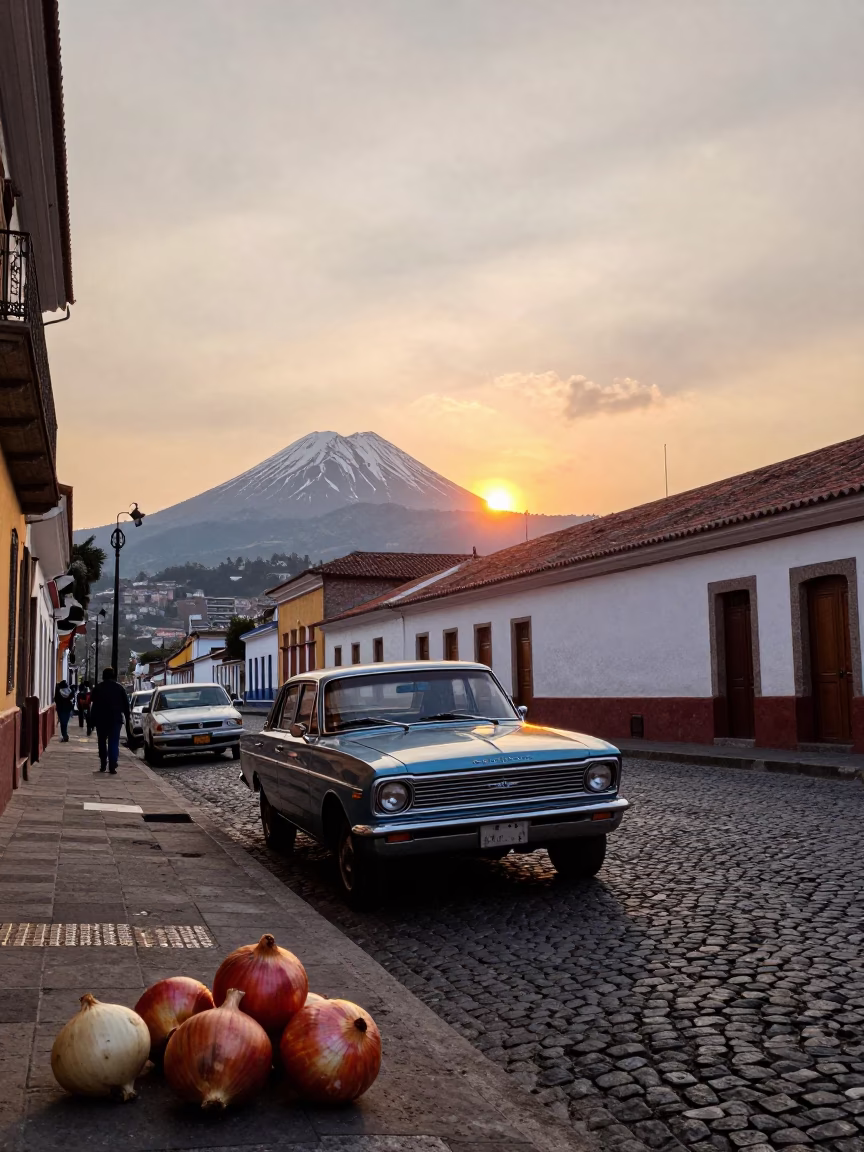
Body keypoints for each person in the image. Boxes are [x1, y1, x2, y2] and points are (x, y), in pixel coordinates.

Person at [89, 667, 131, 774]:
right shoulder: (120, 688)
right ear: (114, 676)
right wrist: (127, 718)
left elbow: (93, 705)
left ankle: (103, 764)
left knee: (102, 742)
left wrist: (91, 722)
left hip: (101, 719)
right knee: (113, 742)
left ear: (103, 676)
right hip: (115, 719)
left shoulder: (98, 688)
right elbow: (126, 706)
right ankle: (112, 764)